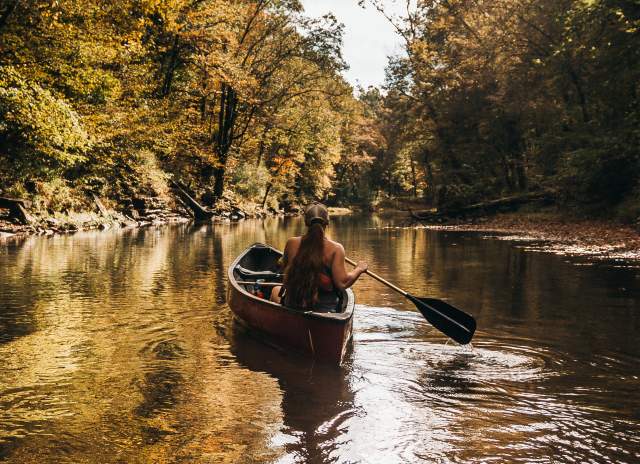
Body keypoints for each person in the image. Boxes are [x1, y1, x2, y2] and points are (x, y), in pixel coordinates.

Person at [270, 203, 368, 312]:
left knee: (275, 290)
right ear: (327, 222)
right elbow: (342, 283)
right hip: (324, 310)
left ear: (306, 222)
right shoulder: (336, 249)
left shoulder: (291, 243)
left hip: (293, 305)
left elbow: (284, 268)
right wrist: (359, 269)